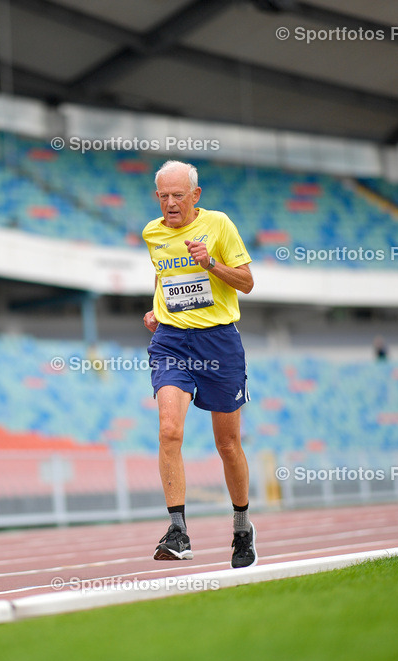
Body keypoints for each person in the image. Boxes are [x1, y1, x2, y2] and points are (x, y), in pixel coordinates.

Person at [141, 160, 256, 568]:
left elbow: (246, 282)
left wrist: (210, 264)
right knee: (169, 430)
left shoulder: (219, 225)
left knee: (227, 444)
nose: (170, 204)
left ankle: (242, 525)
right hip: (172, 340)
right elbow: (163, 275)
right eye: (163, 196)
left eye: (178, 195)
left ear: (195, 195)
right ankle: (178, 530)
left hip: (219, 342)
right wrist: (157, 308)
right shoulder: (152, 233)